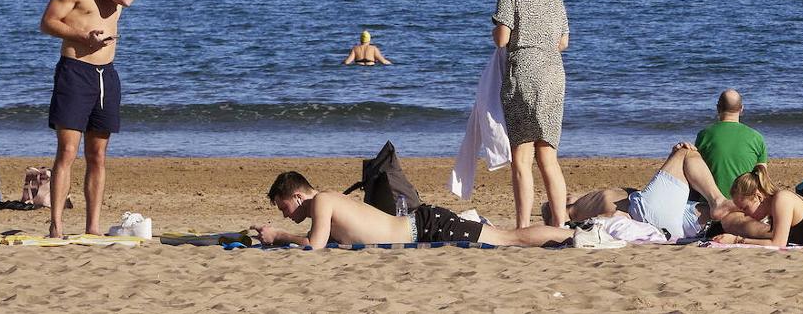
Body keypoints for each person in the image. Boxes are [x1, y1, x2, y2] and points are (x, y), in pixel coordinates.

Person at [39, 0, 135, 238]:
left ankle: (92, 226)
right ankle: (56, 225)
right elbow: (47, 22)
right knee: (67, 152)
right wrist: (83, 36)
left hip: (106, 75)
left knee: (98, 155)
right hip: (75, 72)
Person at [252, 171, 616, 249]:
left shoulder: (324, 202)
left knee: (510, 239)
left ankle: (574, 234)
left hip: (427, 227)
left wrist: (277, 236)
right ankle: (573, 233)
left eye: (285, 208)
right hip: (425, 225)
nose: (286, 215)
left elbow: (314, 247)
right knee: (508, 238)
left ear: (298, 196)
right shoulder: (326, 203)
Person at [493, 0, 570, 228]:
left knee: (522, 158)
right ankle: (560, 223)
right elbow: (563, 42)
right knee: (548, 157)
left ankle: (524, 226)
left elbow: (502, 38)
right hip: (554, 74)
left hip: (524, 73)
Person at [551, 143, 765, 241]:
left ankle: (717, 199)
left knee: (684, 153)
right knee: (683, 154)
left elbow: (769, 234)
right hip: (659, 216)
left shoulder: (735, 218)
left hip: (653, 214)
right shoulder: (742, 214)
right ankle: (716, 199)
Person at [694, 89, 768, 198]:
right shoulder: (757, 138)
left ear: (718, 108)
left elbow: (697, 170)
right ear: (741, 109)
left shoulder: (704, 135)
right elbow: (762, 177)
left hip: (711, 202)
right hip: (744, 203)